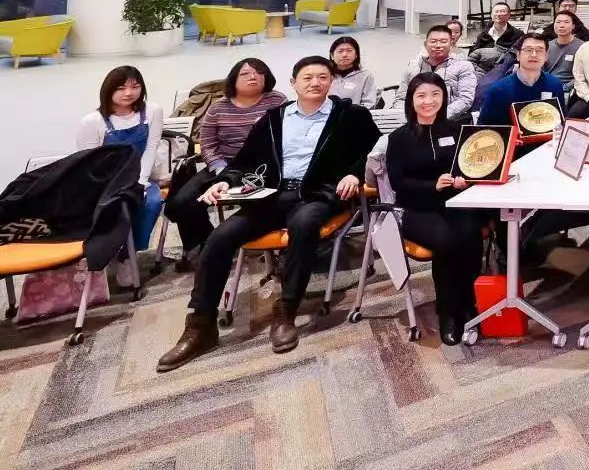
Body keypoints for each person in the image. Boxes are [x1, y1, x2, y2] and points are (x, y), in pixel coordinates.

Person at [157, 56, 379, 371]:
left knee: (304, 224)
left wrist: (355, 174)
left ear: (331, 81)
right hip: (273, 194)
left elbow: (375, 152)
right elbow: (245, 161)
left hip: (321, 193)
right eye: (307, 78)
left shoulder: (351, 116)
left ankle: (286, 310)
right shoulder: (274, 118)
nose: (315, 83)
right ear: (293, 83)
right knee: (221, 237)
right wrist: (225, 182)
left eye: (322, 77)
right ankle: (201, 323)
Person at [385, 73, 485, 346]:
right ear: (411, 100)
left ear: (444, 97)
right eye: (421, 96)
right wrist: (433, 185)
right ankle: (448, 311)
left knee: (470, 233)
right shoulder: (399, 138)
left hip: (456, 202)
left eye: (435, 94)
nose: (428, 101)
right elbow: (397, 183)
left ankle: (468, 302)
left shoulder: (457, 130)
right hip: (418, 208)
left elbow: (471, 165)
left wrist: (465, 178)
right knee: (447, 241)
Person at [168, 58, 287, 262]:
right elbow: (208, 144)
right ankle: (209, 242)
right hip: (225, 165)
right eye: (245, 73)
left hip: (264, 166)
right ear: (233, 79)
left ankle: (265, 244)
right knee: (182, 202)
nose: (253, 77)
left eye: (259, 72)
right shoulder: (218, 108)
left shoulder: (277, 101)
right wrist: (220, 169)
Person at [75, 66, 164, 253]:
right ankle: (111, 252)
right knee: (116, 207)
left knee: (152, 202)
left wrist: (141, 182)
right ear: (108, 90)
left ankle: (130, 254)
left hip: (141, 177)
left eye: (135, 87)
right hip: (105, 183)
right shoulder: (92, 121)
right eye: (121, 88)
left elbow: (151, 148)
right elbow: (90, 164)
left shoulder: (152, 111)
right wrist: (117, 188)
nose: (129, 93)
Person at [477, 30, 565, 126]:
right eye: (528, 50)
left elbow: (560, 122)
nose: (534, 54)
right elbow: (484, 129)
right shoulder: (498, 90)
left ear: (546, 56)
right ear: (518, 55)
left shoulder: (554, 84)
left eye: (539, 50)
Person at [394, 24, 478, 124]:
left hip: (449, 121)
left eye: (443, 42)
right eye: (433, 41)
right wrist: (409, 117)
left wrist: (437, 117)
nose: (438, 45)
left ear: (451, 44)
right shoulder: (413, 67)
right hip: (415, 122)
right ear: (425, 44)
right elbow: (401, 98)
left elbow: (465, 100)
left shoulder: (463, 66)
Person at [543, 9, 583, 84]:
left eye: (566, 22)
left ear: (573, 26)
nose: (561, 25)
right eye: (558, 22)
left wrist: (567, 87)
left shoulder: (582, 47)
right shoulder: (547, 46)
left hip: (572, 86)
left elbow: (583, 75)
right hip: (548, 84)